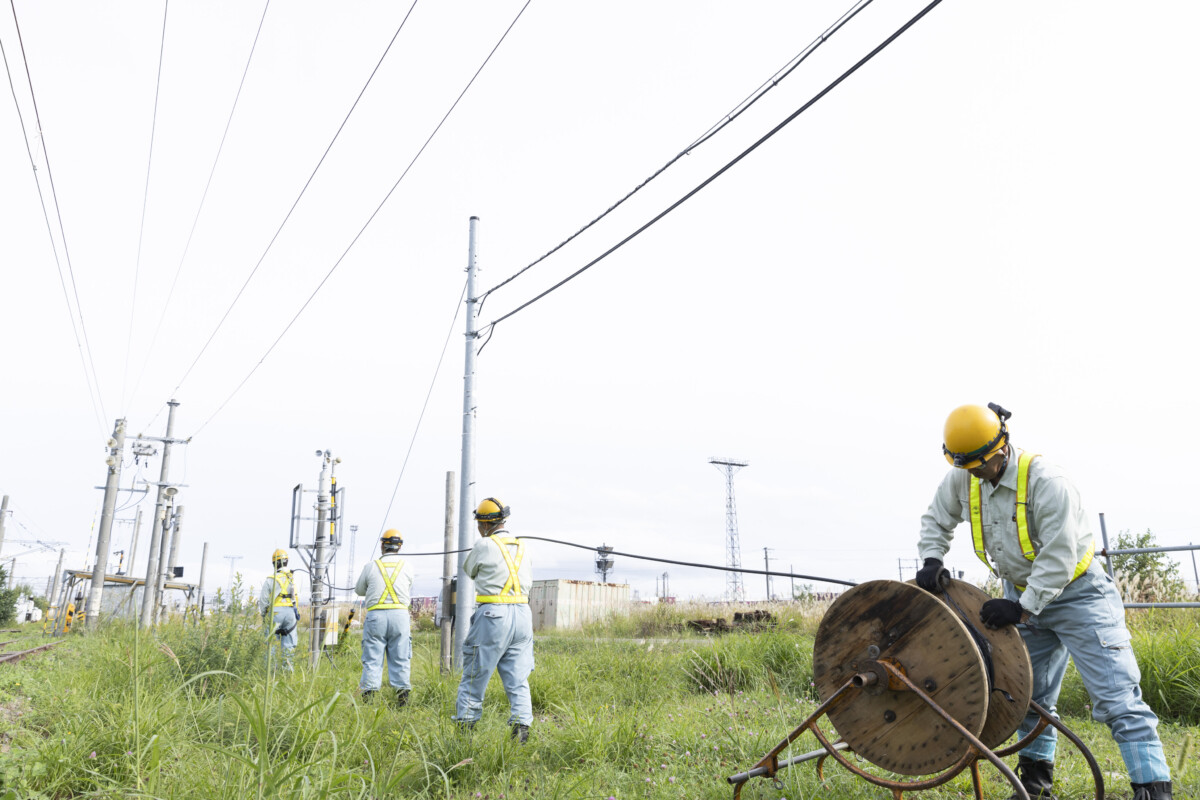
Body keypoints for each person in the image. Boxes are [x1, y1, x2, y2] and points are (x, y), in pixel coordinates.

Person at [917, 403, 1172, 800]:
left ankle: (1153, 790)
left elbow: (1059, 555)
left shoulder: (1047, 482)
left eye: (981, 466)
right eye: (966, 467)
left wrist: (1021, 609)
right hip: (1020, 596)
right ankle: (1035, 788)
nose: (975, 475)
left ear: (1002, 448)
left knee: (1118, 699)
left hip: (1078, 596)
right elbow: (936, 518)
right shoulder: (964, 475)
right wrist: (932, 557)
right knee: (1026, 697)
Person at [454, 497, 534, 742]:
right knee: (518, 677)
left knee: (475, 674)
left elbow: (469, 571)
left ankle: (465, 732)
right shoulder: (523, 546)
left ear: (485, 524)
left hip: (493, 615)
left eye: (479, 524)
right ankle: (521, 731)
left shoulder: (484, 545)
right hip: (522, 615)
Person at [354, 529, 415, 705]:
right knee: (401, 656)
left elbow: (359, 590)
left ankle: (368, 699)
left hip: (376, 616)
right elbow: (409, 584)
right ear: (400, 546)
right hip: (400, 616)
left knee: (372, 657)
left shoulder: (370, 566)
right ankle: (402, 698)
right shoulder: (407, 566)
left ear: (382, 545)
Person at [257, 548, 299, 671]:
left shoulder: (271, 579)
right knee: (289, 645)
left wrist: (264, 615)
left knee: (271, 645)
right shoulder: (294, 578)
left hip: (275, 613)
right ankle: (288, 671)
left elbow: (264, 601)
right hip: (291, 613)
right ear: (287, 562)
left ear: (275, 563)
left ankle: (270, 672)